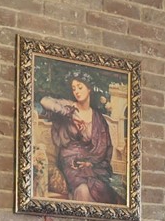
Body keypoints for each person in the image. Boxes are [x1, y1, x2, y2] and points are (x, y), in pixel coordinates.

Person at [38, 70, 119, 204]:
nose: (76, 91)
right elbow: (44, 101)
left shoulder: (98, 118)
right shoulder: (70, 107)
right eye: (74, 88)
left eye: (80, 87)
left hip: (92, 164)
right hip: (71, 161)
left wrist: (91, 163)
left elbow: (105, 148)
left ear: (89, 89)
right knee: (83, 189)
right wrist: (67, 113)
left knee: (104, 191)